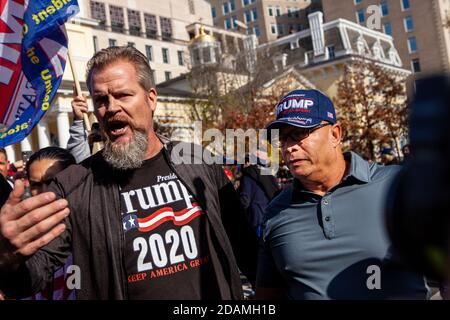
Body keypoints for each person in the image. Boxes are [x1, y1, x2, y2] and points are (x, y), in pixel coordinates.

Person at [0, 46, 257, 300]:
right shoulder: (72, 185)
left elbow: (245, 246)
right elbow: (30, 279)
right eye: (101, 100)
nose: (111, 108)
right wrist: (8, 259)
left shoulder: (196, 160)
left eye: (123, 95)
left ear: (151, 98)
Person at [256, 89, 428, 300]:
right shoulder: (276, 211)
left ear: (335, 134)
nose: (289, 147)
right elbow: (268, 296)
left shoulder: (398, 185)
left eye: (300, 133)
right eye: (282, 138)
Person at [24, 147, 76, 300]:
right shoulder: (26, 237)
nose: (45, 192)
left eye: (53, 182)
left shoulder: (92, 225)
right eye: (36, 185)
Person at [238, 155, 279, 237]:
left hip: (255, 219)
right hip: (271, 217)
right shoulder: (268, 175)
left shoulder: (248, 176)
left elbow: (244, 200)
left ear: (247, 162)